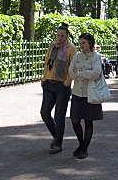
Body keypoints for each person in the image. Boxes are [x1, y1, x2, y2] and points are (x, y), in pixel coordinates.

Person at [40, 23, 76, 154]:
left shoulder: (71, 49)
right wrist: (44, 79)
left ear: (67, 36)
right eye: (58, 35)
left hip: (62, 86)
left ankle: (58, 144)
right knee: (44, 113)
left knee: (59, 116)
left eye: (62, 36)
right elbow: (46, 63)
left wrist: (67, 83)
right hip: (49, 84)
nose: (59, 38)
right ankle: (57, 136)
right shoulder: (52, 46)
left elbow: (73, 68)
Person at [69, 32, 104, 159]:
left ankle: (84, 149)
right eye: (80, 43)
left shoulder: (96, 57)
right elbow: (71, 72)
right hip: (77, 92)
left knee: (88, 121)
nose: (81, 45)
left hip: (90, 92)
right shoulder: (77, 56)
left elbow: (95, 73)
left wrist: (80, 72)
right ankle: (81, 143)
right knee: (75, 120)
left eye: (84, 43)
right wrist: (84, 72)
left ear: (90, 43)